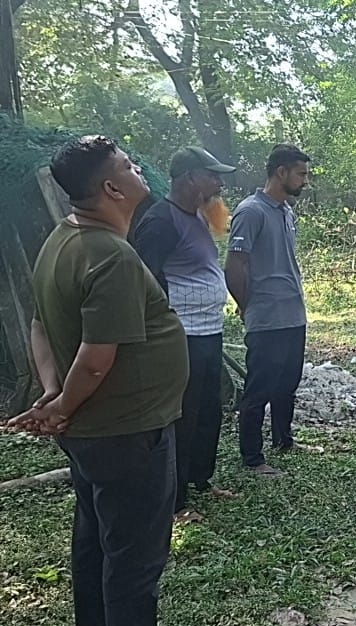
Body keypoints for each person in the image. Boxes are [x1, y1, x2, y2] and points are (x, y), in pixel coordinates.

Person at [5, 135, 214, 626]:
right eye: (127, 165)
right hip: (128, 427)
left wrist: (54, 399)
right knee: (137, 548)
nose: (139, 168)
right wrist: (63, 402)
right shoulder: (110, 255)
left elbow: (38, 325)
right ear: (111, 188)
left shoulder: (61, 240)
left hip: (91, 430)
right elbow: (97, 359)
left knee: (96, 530)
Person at [132, 147, 239, 520]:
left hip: (209, 331)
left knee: (210, 408)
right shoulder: (161, 220)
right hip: (181, 334)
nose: (220, 184)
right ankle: (175, 501)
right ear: (191, 177)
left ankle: (201, 479)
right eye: (213, 176)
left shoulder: (197, 215)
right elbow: (143, 278)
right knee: (183, 415)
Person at [225, 144, 317, 474]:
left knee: (287, 382)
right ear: (281, 173)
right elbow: (235, 265)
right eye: (301, 174)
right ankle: (252, 458)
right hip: (266, 317)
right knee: (259, 387)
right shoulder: (251, 211)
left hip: (293, 314)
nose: (305, 181)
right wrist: (247, 305)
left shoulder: (284, 211)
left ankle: (284, 440)